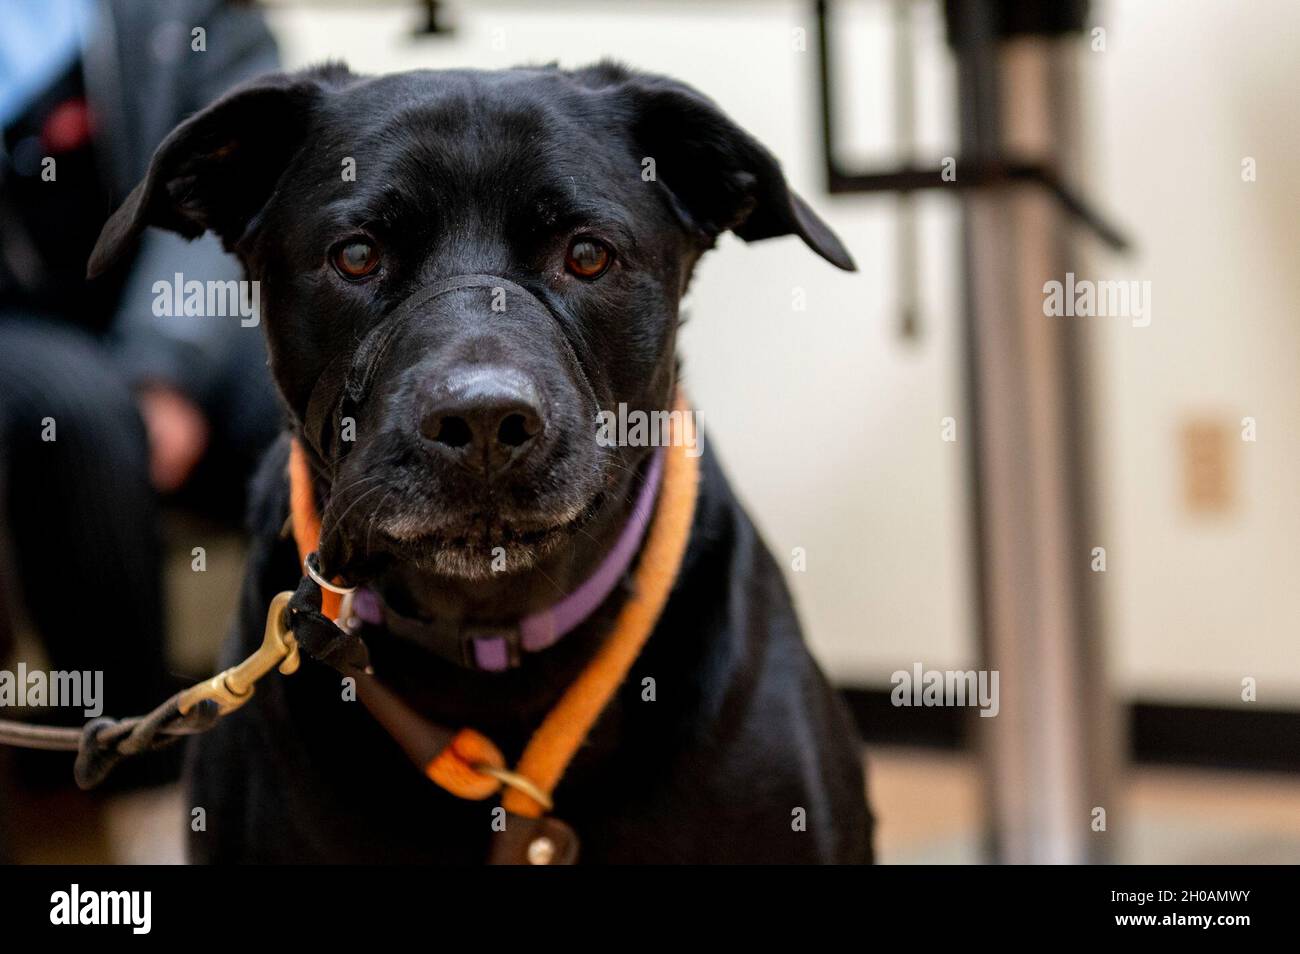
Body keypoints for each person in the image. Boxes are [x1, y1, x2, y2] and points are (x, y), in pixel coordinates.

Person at [0, 1, 281, 748]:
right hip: (18, 337)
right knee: (80, 418)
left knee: (318, 407)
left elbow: (242, 167)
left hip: (174, 301)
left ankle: (336, 729)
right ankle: (133, 773)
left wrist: (165, 363)